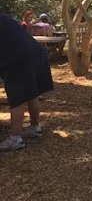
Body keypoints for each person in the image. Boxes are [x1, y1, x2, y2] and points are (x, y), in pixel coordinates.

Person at [0, 14, 54, 152]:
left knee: (16, 97)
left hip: (17, 58)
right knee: (31, 92)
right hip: (35, 52)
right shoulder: (5, 18)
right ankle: (35, 128)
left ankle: (15, 139)